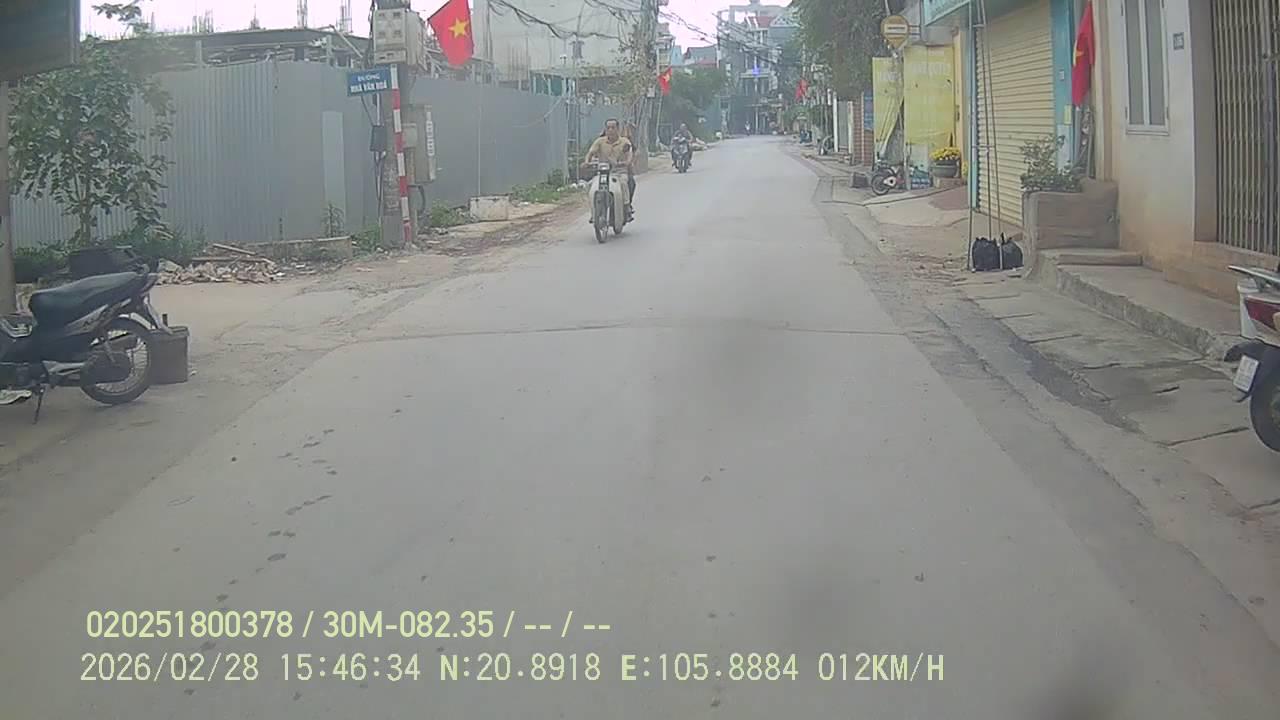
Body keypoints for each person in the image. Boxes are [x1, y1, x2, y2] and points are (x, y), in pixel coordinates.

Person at [584, 118, 634, 218]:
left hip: (619, 172)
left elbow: (629, 155)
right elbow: (590, 153)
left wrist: (625, 163)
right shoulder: (600, 141)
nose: (610, 130)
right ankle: (594, 211)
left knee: (624, 183)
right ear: (605, 129)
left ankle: (626, 206)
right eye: (608, 128)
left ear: (618, 129)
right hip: (602, 173)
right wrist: (586, 162)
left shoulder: (625, 142)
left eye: (613, 128)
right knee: (589, 185)